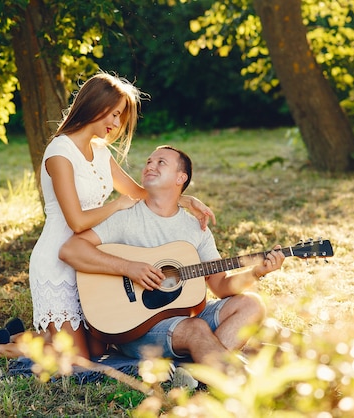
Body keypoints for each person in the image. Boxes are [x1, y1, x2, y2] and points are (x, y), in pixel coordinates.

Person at [0, 73, 215, 359]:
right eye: (115, 115)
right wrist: (115, 206)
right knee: (78, 358)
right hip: (57, 262)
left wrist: (185, 199)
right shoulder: (60, 152)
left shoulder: (100, 153)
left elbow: (139, 193)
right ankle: (3, 347)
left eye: (120, 118)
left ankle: (22, 334)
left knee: (98, 346)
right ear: (96, 105)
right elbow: (76, 221)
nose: (116, 125)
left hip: (94, 262)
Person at [58, 145, 285, 367]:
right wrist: (128, 267)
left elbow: (221, 286)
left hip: (184, 321)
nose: (150, 166)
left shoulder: (197, 229)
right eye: (149, 161)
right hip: (136, 330)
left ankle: (203, 366)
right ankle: (231, 378)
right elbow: (71, 250)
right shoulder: (126, 216)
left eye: (161, 162)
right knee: (195, 329)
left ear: (180, 178)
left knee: (252, 305)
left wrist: (256, 272)